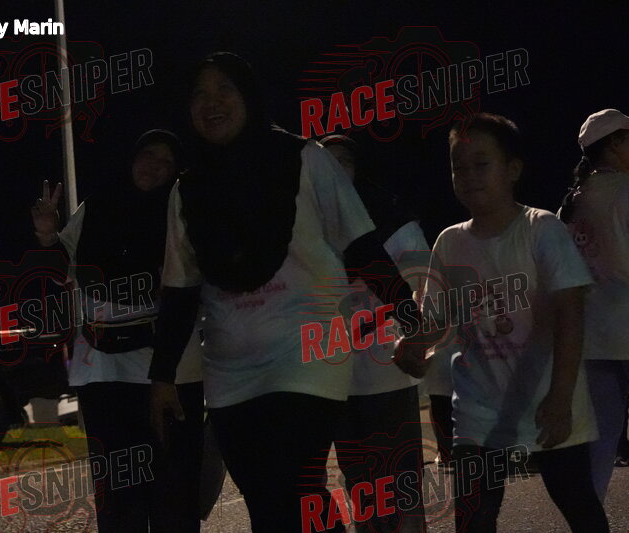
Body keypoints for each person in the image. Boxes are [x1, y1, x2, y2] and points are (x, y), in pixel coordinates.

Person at [148, 52, 427, 533]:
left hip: (308, 356)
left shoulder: (305, 159)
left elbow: (362, 247)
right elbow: (180, 291)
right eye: (199, 94)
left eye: (224, 89)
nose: (211, 103)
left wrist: (411, 319)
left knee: (291, 487)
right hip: (230, 370)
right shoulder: (187, 191)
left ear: (249, 96)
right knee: (268, 503)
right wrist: (161, 377)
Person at [425, 113, 609, 532]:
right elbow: (436, 319)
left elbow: (570, 313)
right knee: (474, 518)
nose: (468, 176)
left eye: (481, 164)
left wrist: (561, 397)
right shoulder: (449, 242)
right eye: (458, 167)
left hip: (546, 403)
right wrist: (414, 346)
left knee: (578, 504)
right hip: (478, 411)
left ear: (512, 170)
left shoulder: (541, 228)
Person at [31, 130, 204, 533]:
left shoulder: (182, 211)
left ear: (176, 173)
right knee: (116, 493)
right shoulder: (98, 206)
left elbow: (194, 286)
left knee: (172, 492)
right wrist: (47, 233)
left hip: (166, 369)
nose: (153, 166)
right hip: (102, 370)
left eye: (165, 162)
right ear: (132, 157)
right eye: (148, 155)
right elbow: (59, 271)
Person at [322, 134, 428, 533]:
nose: (334, 172)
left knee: (401, 484)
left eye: (343, 161)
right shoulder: (308, 229)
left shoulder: (394, 223)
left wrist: (415, 341)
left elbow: (423, 290)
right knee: (361, 485)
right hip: (336, 380)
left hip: (387, 375)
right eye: (324, 164)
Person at [558, 108, 629, 508]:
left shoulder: (574, 199)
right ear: (614, 144)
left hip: (593, 335)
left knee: (600, 439)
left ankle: (589, 520)